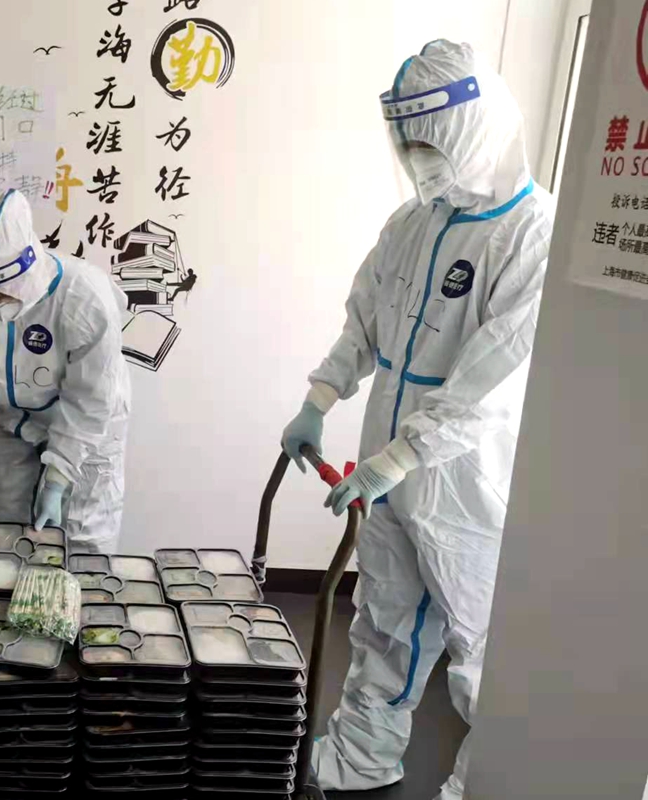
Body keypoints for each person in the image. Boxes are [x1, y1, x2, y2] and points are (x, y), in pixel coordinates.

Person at [280, 41, 554, 800]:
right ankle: (362, 757)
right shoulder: (413, 222)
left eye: (428, 143)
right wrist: (319, 399)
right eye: (406, 145)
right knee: (383, 618)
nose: (416, 161)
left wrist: (400, 460)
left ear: (474, 128)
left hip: (463, 477)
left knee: (481, 642)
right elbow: (365, 321)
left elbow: (490, 382)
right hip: (388, 457)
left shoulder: (532, 233)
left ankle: (489, 784)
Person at [0, 189, 131, 555]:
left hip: (84, 427)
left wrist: (57, 479)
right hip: (6, 422)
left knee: (83, 540)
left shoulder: (85, 298)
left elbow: (89, 402)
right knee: (6, 538)